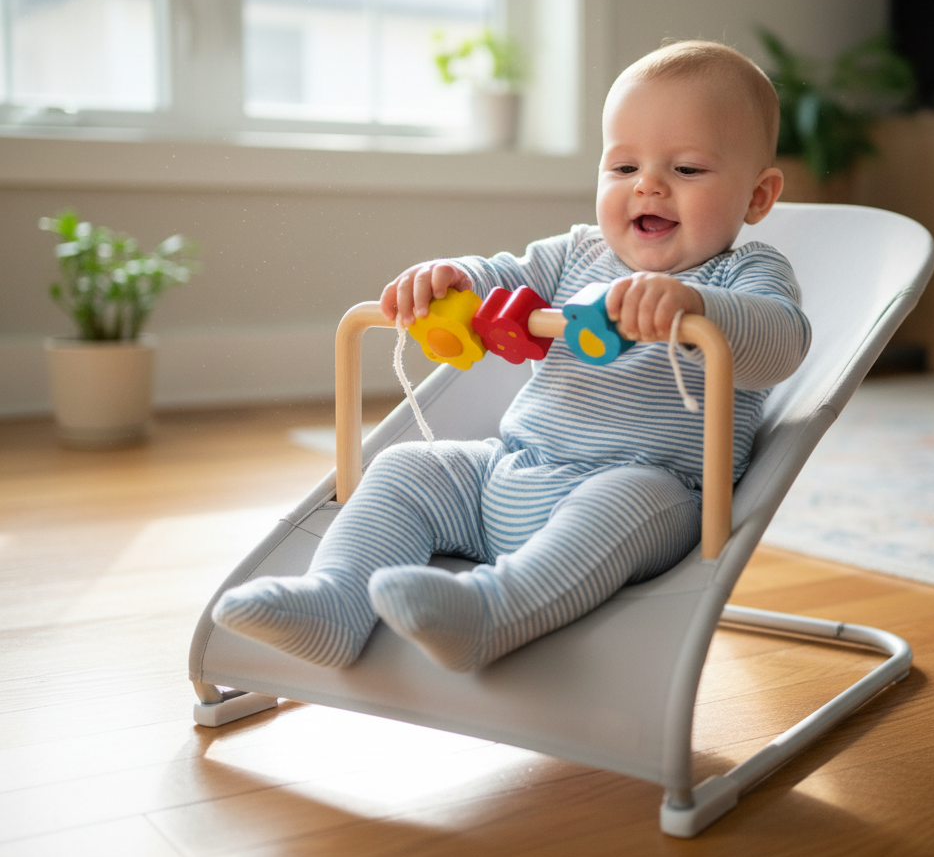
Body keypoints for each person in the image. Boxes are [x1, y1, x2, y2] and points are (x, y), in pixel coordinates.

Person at [213, 40, 812, 673]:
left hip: (648, 490)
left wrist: (693, 305)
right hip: (510, 470)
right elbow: (502, 277)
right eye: (622, 168)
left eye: (687, 170)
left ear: (757, 197)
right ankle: (335, 602)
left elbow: (781, 344)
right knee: (406, 470)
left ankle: (490, 614)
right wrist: (451, 278)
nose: (650, 186)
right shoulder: (577, 253)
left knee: (622, 501)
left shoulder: (747, 272)